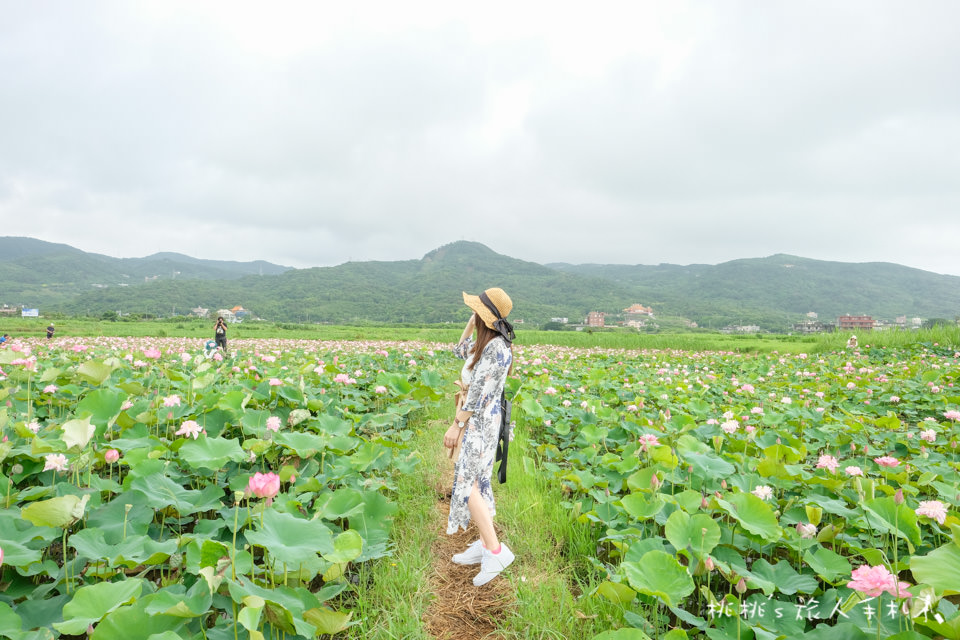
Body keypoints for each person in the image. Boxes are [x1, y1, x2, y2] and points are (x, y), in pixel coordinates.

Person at [443, 287, 516, 586]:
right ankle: (485, 545)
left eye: (476, 310)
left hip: (481, 423)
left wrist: (456, 425)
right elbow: (457, 350)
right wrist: (472, 324)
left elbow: (476, 395)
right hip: (478, 421)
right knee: (477, 482)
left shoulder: (498, 349)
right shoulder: (483, 344)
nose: (473, 313)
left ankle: (497, 551)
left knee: (468, 484)